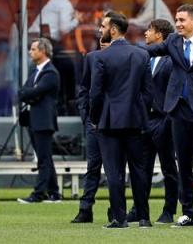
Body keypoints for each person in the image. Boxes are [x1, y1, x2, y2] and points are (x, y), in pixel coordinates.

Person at [145, 4, 193, 227]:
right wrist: (122, 48)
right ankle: (188, 212)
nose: (177, 24)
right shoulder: (172, 42)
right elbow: (149, 51)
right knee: (184, 163)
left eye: (181, 20)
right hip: (178, 111)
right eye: (176, 20)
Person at [89, 12, 152, 228]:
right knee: (139, 170)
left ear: (113, 29)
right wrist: (139, 110)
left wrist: (94, 118)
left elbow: (95, 93)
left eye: (103, 26)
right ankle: (143, 217)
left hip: (108, 121)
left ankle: (119, 217)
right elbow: (147, 92)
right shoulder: (141, 55)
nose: (100, 30)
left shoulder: (101, 57)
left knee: (114, 171)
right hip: (135, 120)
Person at [126, 19, 179, 224]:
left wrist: (168, 117)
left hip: (163, 119)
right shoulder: (143, 58)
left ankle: (169, 210)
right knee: (141, 169)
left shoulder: (172, 59)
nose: (145, 34)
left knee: (168, 168)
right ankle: (139, 210)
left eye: (149, 30)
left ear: (160, 35)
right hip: (143, 121)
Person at [71, 32, 111, 224]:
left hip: (116, 121)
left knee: (115, 168)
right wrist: (86, 115)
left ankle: (116, 210)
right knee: (92, 166)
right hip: (94, 121)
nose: (103, 43)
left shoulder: (128, 56)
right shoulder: (92, 58)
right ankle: (85, 209)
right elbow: (84, 88)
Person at [17, 38, 62, 204]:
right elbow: (24, 92)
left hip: (44, 120)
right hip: (34, 120)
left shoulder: (50, 72)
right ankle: (54, 192)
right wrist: (31, 93)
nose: (30, 52)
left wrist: (31, 93)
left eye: (33, 49)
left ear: (43, 52)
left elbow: (34, 92)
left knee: (43, 159)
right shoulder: (36, 71)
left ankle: (39, 193)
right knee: (46, 158)